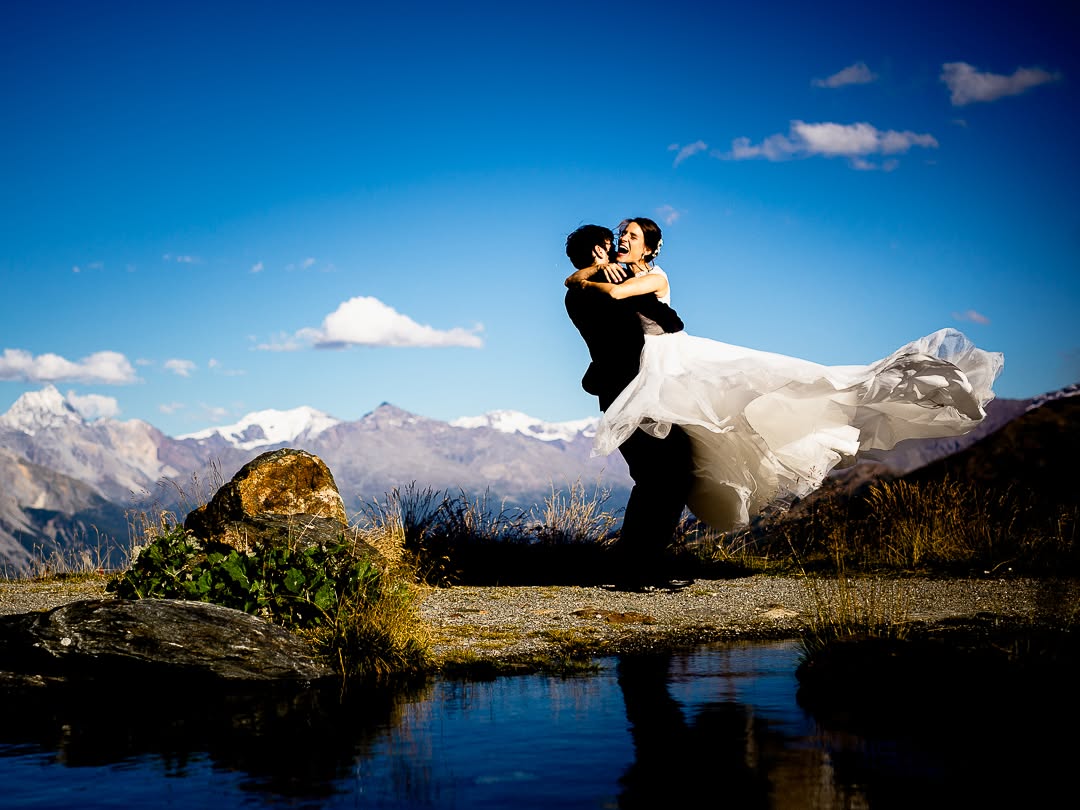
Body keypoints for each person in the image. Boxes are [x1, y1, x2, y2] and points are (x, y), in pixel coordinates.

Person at [565, 218, 1004, 533]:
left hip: (674, 365)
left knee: (770, 387)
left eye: (629, 237)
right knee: (682, 458)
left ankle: (907, 382)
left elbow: (618, 291)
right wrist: (586, 275)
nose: (621, 243)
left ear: (649, 248)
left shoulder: (650, 276)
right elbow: (589, 291)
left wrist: (588, 277)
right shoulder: (598, 284)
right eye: (618, 237)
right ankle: (641, 557)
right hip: (647, 375)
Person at [563, 223, 694, 586]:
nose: (619, 248)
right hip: (634, 392)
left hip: (622, 393)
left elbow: (575, 283)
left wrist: (586, 276)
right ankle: (642, 567)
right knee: (668, 475)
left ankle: (635, 565)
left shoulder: (578, 293)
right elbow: (669, 321)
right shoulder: (601, 293)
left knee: (655, 477)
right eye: (611, 245)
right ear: (597, 254)